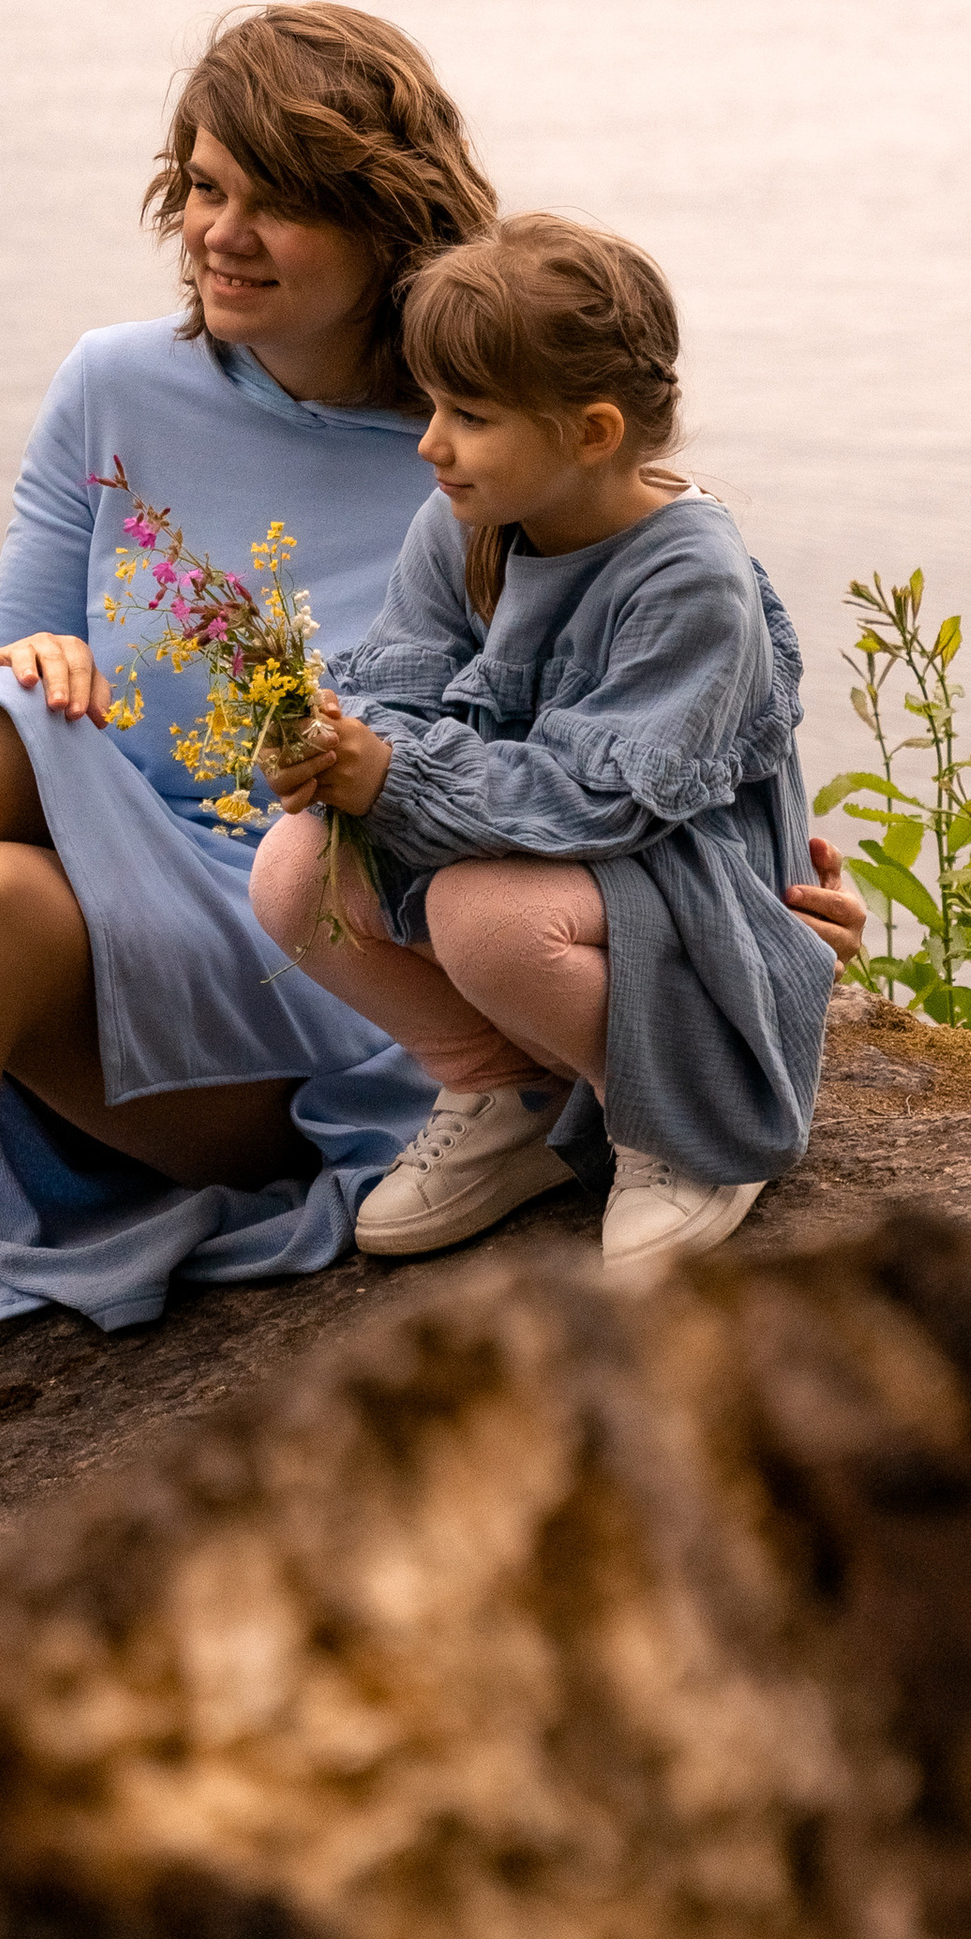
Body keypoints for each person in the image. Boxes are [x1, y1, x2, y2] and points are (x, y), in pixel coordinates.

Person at [0, 10, 864, 1506]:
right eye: (203, 186)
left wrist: (749, 905)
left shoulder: (492, 436)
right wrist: (44, 662)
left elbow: (668, 682)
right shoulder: (112, 388)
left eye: (273, 201)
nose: (218, 232)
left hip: (356, 979)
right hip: (149, 923)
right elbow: (9, 662)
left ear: (385, 221)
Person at [251, 212, 829, 1283]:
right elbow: (398, 689)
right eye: (433, 405)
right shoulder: (463, 523)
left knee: (486, 917)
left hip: (671, 867)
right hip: (509, 831)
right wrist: (332, 753)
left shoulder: (688, 578)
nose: (431, 443)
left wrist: (395, 776)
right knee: (294, 871)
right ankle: (509, 1086)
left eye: (470, 416)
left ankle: (685, 1119)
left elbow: (598, 802)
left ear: (592, 433)